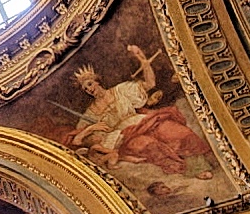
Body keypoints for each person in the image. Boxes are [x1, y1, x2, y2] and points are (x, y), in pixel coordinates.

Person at [67, 46, 214, 178]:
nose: (89, 89)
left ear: (97, 81)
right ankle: (185, 168)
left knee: (176, 132)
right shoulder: (90, 113)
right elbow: (77, 141)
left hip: (142, 121)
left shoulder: (120, 90)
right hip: (124, 136)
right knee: (149, 146)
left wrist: (144, 63)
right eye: (85, 89)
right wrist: (92, 128)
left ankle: (199, 164)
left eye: (90, 84)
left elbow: (149, 84)